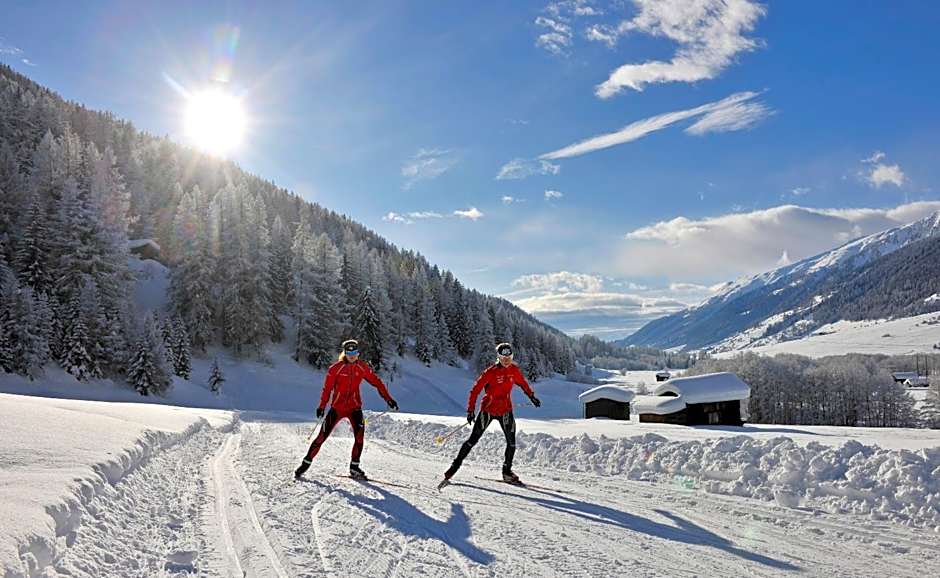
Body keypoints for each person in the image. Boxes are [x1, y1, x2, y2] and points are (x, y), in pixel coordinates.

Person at [294, 339, 398, 481]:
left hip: (355, 408)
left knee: (360, 438)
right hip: (337, 408)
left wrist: (388, 399)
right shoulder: (335, 369)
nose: (352, 356)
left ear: (358, 353)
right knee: (321, 437)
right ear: (344, 353)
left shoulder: (362, 367)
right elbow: (327, 389)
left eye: (354, 353)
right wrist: (322, 406)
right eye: (349, 353)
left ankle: (354, 468)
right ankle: (305, 464)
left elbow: (377, 382)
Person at [440, 342, 540, 487]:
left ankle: (507, 472)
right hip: (487, 410)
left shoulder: (514, 370)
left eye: (509, 357)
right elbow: (475, 390)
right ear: (499, 357)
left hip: (505, 410)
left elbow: (523, 383)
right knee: (472, 441)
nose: (507, 360)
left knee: (511, 443)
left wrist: (531, 396)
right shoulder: (491, 372)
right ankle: (452, 469)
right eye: (504, 357)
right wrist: (470, 410)